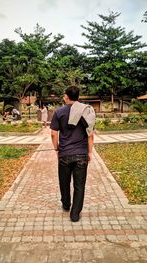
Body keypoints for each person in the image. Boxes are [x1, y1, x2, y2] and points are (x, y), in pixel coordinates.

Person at [50, 86, 96, 222]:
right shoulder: (86, 112)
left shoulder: (59, 112)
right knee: (79, 184)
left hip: (64, 153)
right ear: (78, 96)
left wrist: (57, 149)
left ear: (66, 96)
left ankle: (66, 204)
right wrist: (90, 152)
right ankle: (75, 213)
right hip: (81, 154)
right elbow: (90, 135)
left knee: (64, 182)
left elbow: (53, 134)